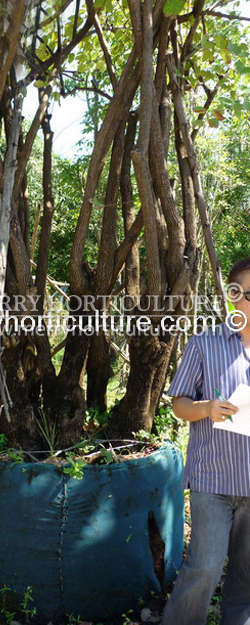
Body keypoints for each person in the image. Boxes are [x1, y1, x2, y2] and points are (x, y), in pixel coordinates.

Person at [161, 257, 250, 625]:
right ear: (231, 297)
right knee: (204, 567)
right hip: (213, 479)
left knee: (246, 578)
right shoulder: (205, 343)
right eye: (241, 293)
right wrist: (207, 408)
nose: (246, 300)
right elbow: (179, 404)